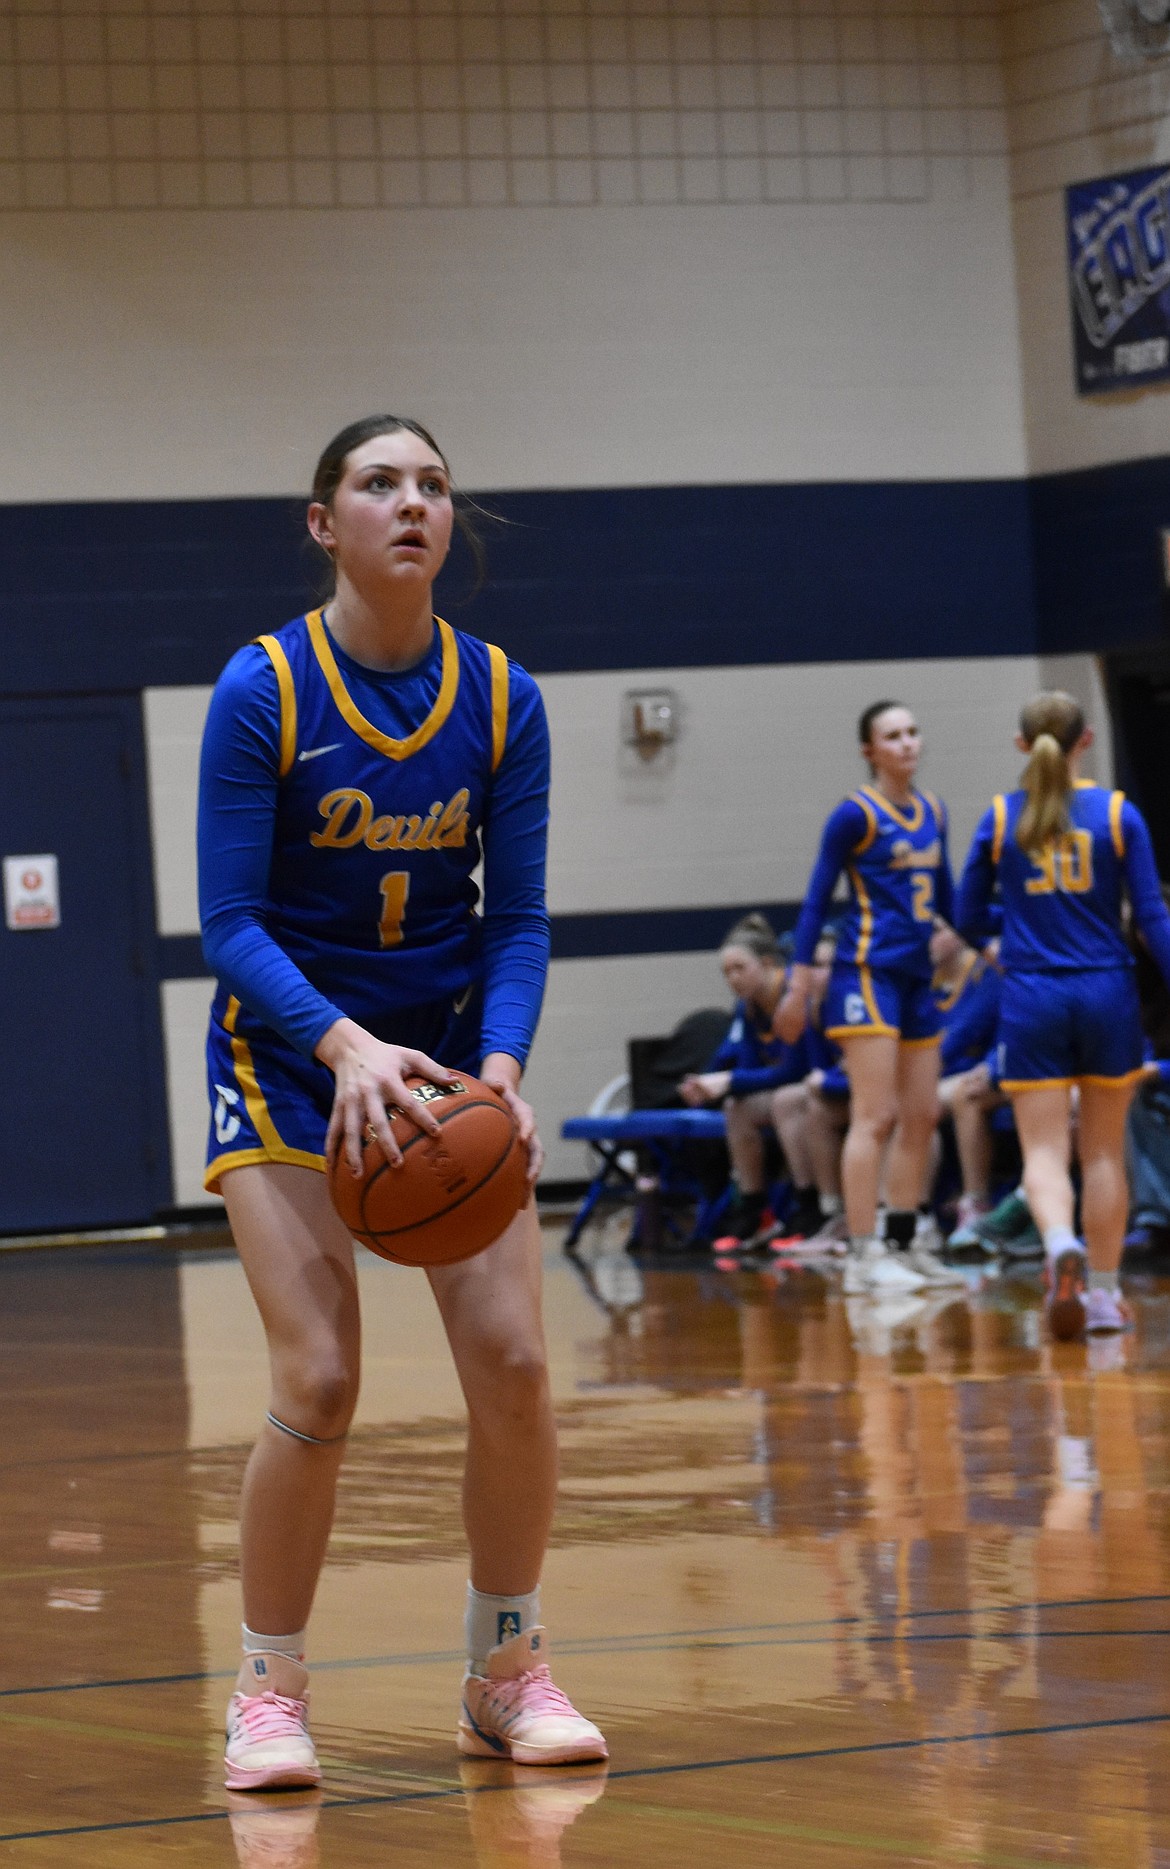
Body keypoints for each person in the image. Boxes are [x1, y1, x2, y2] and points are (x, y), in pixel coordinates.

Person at [198, 414, 606, 1790]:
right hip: (290, 1058)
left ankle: (506, 1666)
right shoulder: (261, 689)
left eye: (431, 484)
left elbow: (522, 919)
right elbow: (229, 921)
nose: (412, 503)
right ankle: (268, 1688)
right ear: (325, 522)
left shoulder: (501, 698)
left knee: (516, 1370)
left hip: (440, 1067)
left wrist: (496, 1063)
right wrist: (344, 1047)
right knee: (317, 1377)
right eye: (379, 484)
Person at [954, 691, 1170, 1338]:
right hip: (1107, 993)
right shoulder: (1118, 813)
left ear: (1022, 746)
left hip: (1033, 996)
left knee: (1044, 1154)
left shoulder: (999, 817)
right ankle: (1102, 1294)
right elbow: (1151, 917)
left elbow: (964, 917)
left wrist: (1010, 930)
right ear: (1087, 740)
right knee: (1103, 1153)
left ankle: (1056, 1248)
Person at [776, 701, 956, 1294]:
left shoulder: (934, 811)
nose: (907, 742)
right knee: (874, 1115)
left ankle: (903, 1242)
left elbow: (950, 898)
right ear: (869, 750)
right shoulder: (855, 816)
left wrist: (999, 935)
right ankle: (860, 1253)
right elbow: (813, 901)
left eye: (912, 730)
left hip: (916, 977)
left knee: (924, 1115)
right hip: (865, 975)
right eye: (892, 735)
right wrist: (799, 985)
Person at [679, 912, 808, 1248]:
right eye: (726, 972)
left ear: (767, 964)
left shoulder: (794, 994)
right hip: (790, 1090)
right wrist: (712, 1084)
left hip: (815, 1085)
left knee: (781, 1100)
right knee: (738, 1107)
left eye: (740, 969)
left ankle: (808, 1208)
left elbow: (795, 1070)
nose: (733, 978)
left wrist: (729, 1081)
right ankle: (754, 1210)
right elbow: (749, 1067)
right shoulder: (747, 1008)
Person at [929, 927, 1006, 1249]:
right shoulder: (926, 979)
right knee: (907, 1104)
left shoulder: (986, 969)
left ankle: (976, 1200)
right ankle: (910, 1213)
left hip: (991, 1072)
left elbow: (966, 1033)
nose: (927, 938)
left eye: (936, 930)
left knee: (952, 1096)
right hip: (952, 1074)